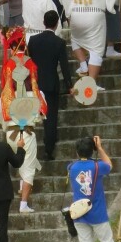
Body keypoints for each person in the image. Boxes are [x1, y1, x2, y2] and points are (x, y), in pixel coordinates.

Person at [0, 27, 46, 212]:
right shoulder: (31, 70)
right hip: (27, 131)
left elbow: (0, 106)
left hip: (11, 130)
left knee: (18, 161)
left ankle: (19, 190)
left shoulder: (8, 71)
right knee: (28, 166)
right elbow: (40, 105)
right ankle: (24, 204)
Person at [27, 10, 73, 161]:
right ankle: (49, 149)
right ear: (57, 24)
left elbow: (29, 62)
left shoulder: (33, 40)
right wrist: (69, 85)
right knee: (51, 116)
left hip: (36, 83)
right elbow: (65, 67)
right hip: (51, 83)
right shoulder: (59, 43)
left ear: (43, 22)